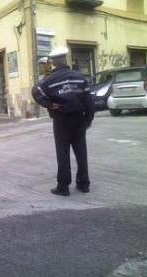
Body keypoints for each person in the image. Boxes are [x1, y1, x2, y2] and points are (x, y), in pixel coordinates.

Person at [32, 46, 95, 196]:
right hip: (79, 118)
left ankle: (63, 187)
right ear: (65, 60)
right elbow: (89, 101)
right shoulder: (79, 77)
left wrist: (50, 104)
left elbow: (36, 91)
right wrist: (88, 119)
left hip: (61, 119)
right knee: (81, 152)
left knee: (63, 153)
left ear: (53, 63)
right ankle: (83, 184)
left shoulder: (49, 79)